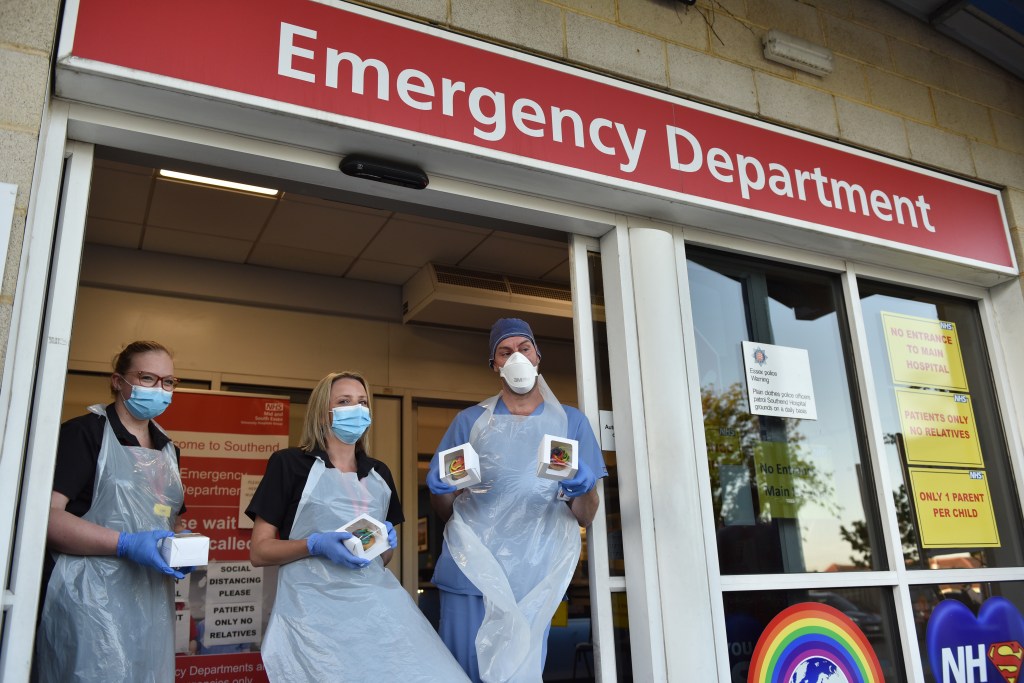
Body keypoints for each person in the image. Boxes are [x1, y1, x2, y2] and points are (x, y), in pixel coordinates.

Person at [247, 371, 469, 682]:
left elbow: (384, 558)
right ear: (323, 412)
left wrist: (383, 544)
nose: (357, 409)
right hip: (312, 614)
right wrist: (313, 544)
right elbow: (259, 551)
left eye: (363, 402)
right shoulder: (289, 465)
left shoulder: (379, 473)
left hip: (375, 606)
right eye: (344, 401)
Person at [427, 318, 607, 682]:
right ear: (494, 365)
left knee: (519, 674)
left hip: (534, 577)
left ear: (538, 356)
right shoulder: (470, 422)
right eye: (504, 352)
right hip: (470, 571)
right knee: (462, 674)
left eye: (524, 349)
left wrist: (584, 489)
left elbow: (586, 516)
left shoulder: (570, 423)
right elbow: (445, 512)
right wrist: (440, 491)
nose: (516, 358)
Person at [35, 340, 188, 683]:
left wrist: (180, 545)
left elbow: (169, 518)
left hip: (149, 601)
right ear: (118, 381)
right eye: (148, 378)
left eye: (168, 382)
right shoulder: (85, 434)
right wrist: (126, 544)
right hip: (89, 599)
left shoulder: (168, 449)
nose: (159, 389)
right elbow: (47, 518)